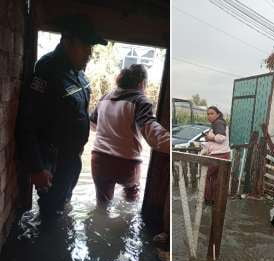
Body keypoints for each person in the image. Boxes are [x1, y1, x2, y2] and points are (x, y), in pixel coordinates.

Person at [16, 15, 107, 219]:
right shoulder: (47, 71)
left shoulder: (79, 74)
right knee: (50, 214)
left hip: (71, 160)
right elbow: (27, 124)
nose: (90, 54)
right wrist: (38, 168)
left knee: (63, 204)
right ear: (67, 42)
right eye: (85, 47)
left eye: (91, 48)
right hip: (52, 163)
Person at [89, 64, 169, 207]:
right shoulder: (140, 100)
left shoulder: (104, 98)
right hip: (127, 164)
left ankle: (100, 224)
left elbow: (93, 125)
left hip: (99, 161)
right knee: (131, 197)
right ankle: (128, 224)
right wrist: (172, 144)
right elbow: (150, 130)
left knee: (102, 205)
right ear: (142, 83)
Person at [201, 106, 231, 205]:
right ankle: (213, 200)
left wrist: (210, 137)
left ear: (218, 114)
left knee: (206, 176)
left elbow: (221, 138)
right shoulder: (218, 123)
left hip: (218, 156)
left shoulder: (218, 122)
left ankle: (207, 199)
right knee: (214, 179)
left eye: (212, 113)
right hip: (223, 154)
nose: (209, 116)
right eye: (208, 114)